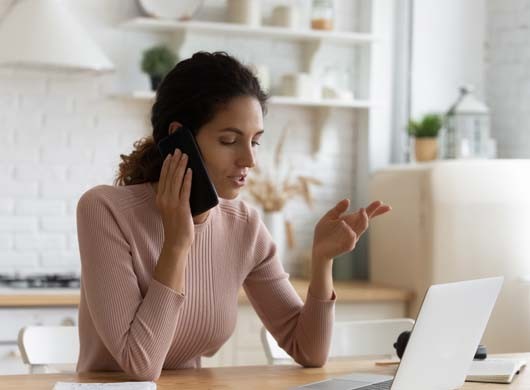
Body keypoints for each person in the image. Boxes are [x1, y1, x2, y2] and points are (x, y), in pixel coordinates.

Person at [75, 51, 391, 381]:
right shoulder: (105, 210)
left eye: (255, 142)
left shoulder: (244, 226)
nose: (249, 159)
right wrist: (178, 243)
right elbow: (140, 366)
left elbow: (308, 351)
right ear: (179, 138)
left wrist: (322, 260)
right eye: (229, 140)